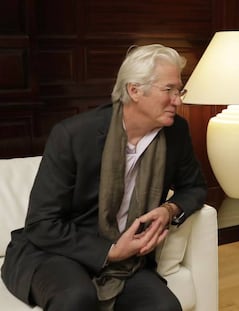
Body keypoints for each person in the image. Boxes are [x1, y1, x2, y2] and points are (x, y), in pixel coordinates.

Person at [1, 44, 207, 311]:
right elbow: (42, 223)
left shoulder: (176, 132)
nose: (178, 100)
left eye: (179, 90)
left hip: (127, 259)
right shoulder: (74, 135)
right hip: (56, 251)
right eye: (169, 90)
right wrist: (109, 251)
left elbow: (195, 187)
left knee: (164, 306)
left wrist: (169, 209)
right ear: (134, 90)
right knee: (76, 298)